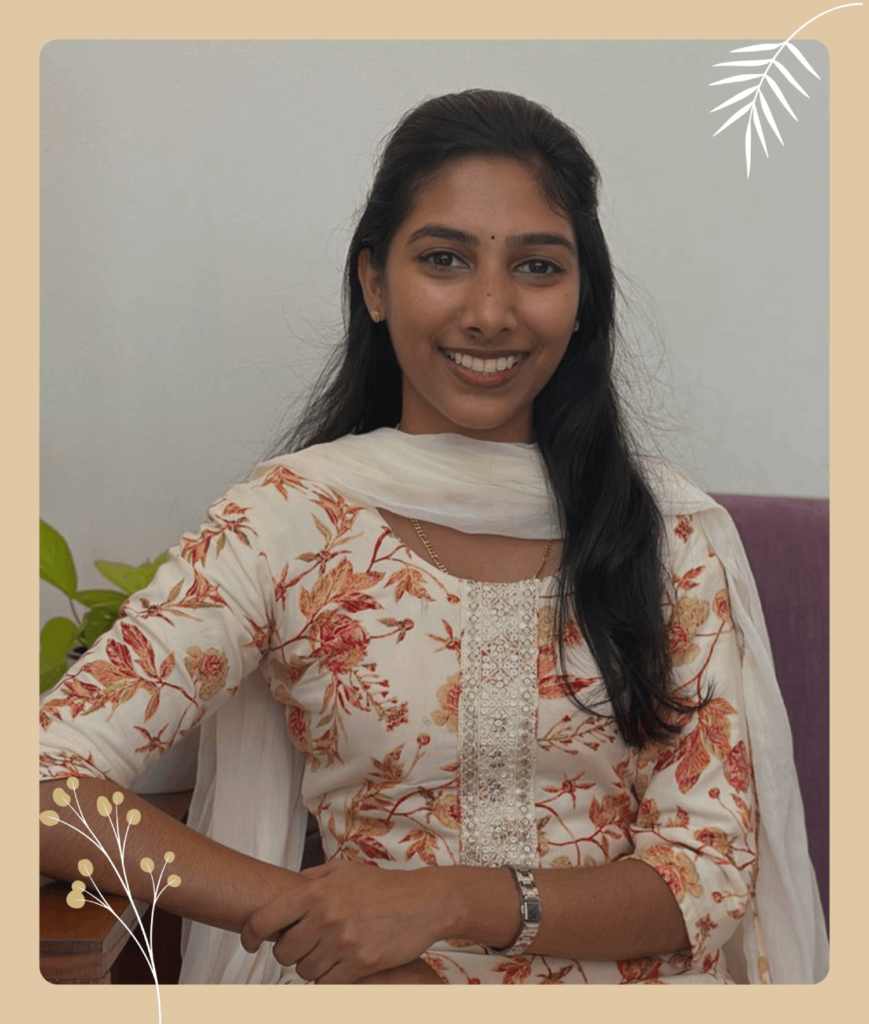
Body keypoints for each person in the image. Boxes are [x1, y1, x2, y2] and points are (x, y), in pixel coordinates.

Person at [39, 89, 828, 985]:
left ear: (580, 298)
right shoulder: (290, 522)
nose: (489, 311)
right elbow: (37, 782)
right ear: (375, 283)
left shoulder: (665, 535)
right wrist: (312, 917)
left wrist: (451, 900)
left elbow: (707, 878)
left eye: (537, 267)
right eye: (443, 259)